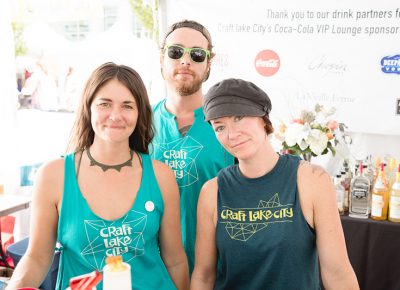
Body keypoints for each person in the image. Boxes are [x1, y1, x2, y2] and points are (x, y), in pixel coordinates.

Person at [7, 62, 189, 290]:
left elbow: (175, 259)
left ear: (139, 112)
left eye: (127, 106)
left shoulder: (161, 176)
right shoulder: (53, 176)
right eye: (105, 104)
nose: (115, 115)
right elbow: (37, 257)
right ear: (88, 107)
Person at [191, 78, 359, 290]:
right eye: (220, 127)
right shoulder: (212, 192)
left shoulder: (312, 181)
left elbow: (338, 273)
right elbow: (203, 276)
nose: (232, 134)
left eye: (239, 117)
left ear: (263, 118)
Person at [151, 20, 234, 274]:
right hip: (154, 269)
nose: (186, 61)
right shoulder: (138, 123)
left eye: (197, 55)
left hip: (218, 270)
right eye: (176, 52)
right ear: (162, 57)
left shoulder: (232, 124)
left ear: (209, 62)